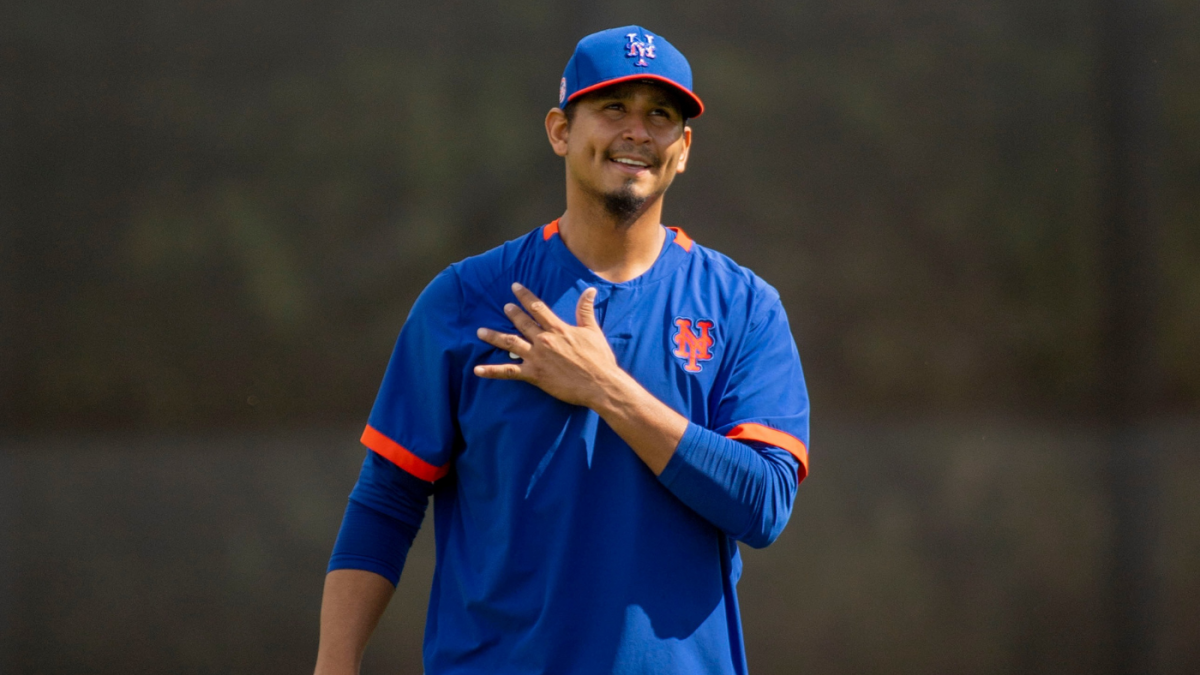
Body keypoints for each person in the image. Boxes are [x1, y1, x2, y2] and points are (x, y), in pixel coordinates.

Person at [314, 25, 810, 675]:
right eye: (612, 108)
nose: (637, 132)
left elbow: (763, 503)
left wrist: (605, 387)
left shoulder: (743, 307)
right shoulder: (468, 297)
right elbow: (387, 497)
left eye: (660, 115)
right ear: (560, 131)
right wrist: (334, 662)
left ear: (683, 148)